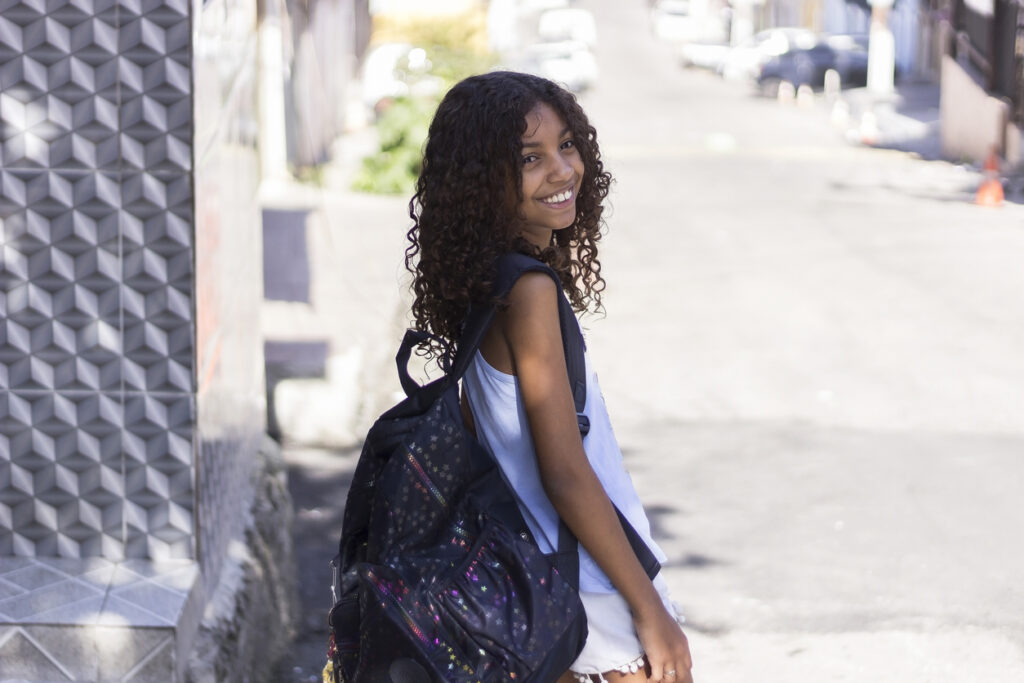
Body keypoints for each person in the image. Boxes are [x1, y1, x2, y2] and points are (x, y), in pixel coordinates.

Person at [404, 71, 694, 683]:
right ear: (483, 181)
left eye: (566, 145)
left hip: (537, 582)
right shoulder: (529, 291)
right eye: (529, 158)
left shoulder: (487, 279)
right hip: (589, 584)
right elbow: (564, 472)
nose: (562, 170)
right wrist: (648, 610)